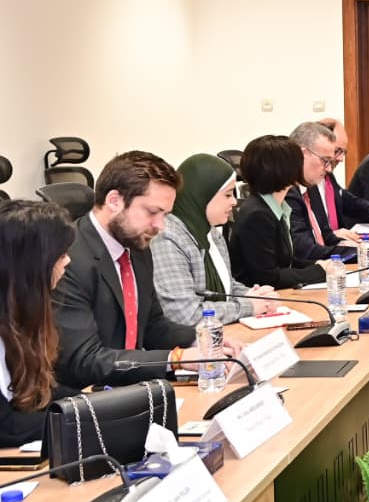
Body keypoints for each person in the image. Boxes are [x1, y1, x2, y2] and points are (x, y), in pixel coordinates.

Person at [53, 151, 243, 390]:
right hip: (81, 396)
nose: (160, 226)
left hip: (128, 388)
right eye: (153, 212)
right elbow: (85, 359)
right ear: (114, 201)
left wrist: (201, 339)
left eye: (165, 215)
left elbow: (153, 326)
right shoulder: (67, 259)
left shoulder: (135, 244)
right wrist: (176, 359)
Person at [152, 154, 280, 326]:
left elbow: (225, 286)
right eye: (227, 195)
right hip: (192, 340)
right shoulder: (167, 238)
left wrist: (253, 295)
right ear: (202, 195)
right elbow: (185, 314)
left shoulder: (211, 232)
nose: (234, 202)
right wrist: (248, 306)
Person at [0, 201, 79, 447]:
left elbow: (35, 396)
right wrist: (85, 418)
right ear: (32, 264)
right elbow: (6, 428)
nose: (68, 261)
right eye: (61, 254)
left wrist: (94, 404)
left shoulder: (17, 318)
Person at [229, 136, 327, 289]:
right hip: (259, 296)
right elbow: (268, 277)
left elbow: (286, 261)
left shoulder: (275, 207)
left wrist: (318, 265)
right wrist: (319, 271)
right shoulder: (258, 215)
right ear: (284, 169)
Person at [285, 122, 369, 262]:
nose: (329, 168)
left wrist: (357, 247)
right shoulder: (288, 193)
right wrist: (358, 252)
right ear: (303, 154)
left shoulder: (309, 184)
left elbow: (325, 234)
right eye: (325, 160)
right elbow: (305, 251)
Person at [313, 117, 369, 232]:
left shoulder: (328, 176)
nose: (341, 159)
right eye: (337, 151)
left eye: (343, 152)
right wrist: (333, 236)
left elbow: (344, 198)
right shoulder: (304, 185)